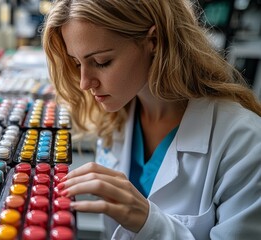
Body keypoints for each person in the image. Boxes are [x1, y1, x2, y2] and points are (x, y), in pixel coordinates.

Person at [41, 0, 261, 239]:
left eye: (102, 62)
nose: (85, 83)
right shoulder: (116, 118)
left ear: (153, 41)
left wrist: (149, 222)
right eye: (76, 63)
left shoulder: (245, 143)